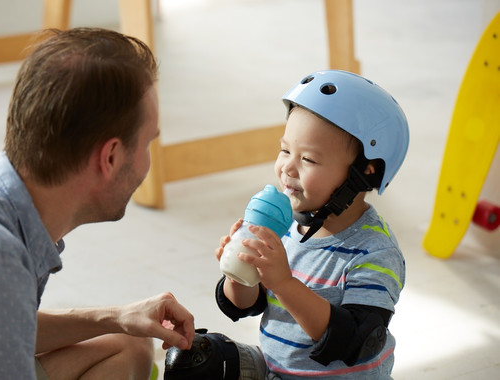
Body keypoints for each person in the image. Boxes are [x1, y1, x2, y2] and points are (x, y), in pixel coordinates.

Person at [0, 28, 195, 379]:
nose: (147, 161)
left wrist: (118, 317)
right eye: (148, 144)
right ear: (111, 157)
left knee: (126, 342)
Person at [164, 70, 409, 379]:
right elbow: (245, 306)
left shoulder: (374, 252)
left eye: (309, 159)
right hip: (277, 371)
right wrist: (241, 273)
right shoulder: (289, 223)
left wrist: (283, 282)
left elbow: (353, 342)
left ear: (365, 173)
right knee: (193, 362)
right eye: (285, 150)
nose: (287, 168)